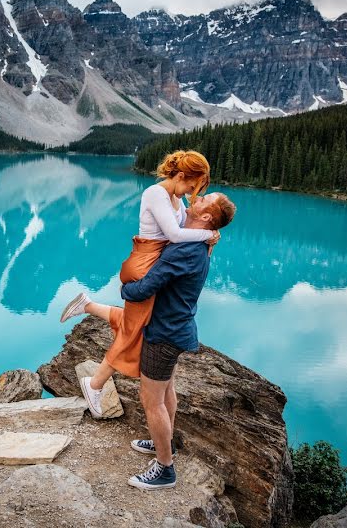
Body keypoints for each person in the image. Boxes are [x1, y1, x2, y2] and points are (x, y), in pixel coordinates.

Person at [59, 151, 219, 419]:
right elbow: (174, 235)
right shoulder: (156, 194)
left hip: (154, 263)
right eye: (192, 186)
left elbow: (180, 234)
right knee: (134, 329)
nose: (192, 193)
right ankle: (94, 384)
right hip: (145, 263)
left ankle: (86, 305)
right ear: (181, 175)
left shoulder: (175, 198)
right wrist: (209, 234)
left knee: (138, 322)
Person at [123, 191, 236, 489]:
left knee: (151, 401)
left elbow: (146, 287)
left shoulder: (185, 250)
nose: (193, 199)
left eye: (201, 199)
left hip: (165, 332)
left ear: (207, 216)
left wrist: (125, 287)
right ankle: (166, 444)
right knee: (166, 391)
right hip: (177, 328)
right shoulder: (197, 242)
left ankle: (165, 469)